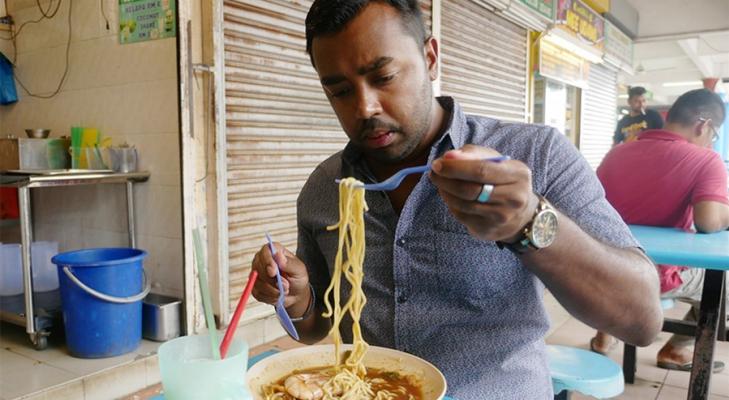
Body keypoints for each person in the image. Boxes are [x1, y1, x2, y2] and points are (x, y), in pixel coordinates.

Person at [250, 1, 662, 398]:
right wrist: (298, 297)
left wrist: (528, 222)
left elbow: (641, 319)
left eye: (384, 76)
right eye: (339, 91)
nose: (365, 107)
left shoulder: (536, 153)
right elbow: (313, 328)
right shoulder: (325, 187)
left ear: (430, 57)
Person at [591, 88, 729, 372]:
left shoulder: (616, 153)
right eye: (713, 136)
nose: (711, 143)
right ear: (703, 125)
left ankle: (606, 332)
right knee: (724, 287)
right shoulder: (706, 160)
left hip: (603, 269)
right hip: (653, 276)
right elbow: (707, 221)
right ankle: (676, 350)